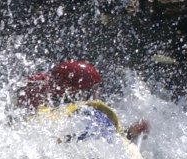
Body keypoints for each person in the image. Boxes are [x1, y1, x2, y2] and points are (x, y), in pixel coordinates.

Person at [18, 59, 150, 145]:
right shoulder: (73, 113)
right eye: (91, 90)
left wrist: (131, 132)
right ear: (74, 91)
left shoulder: (44, 99)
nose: (95, 95)